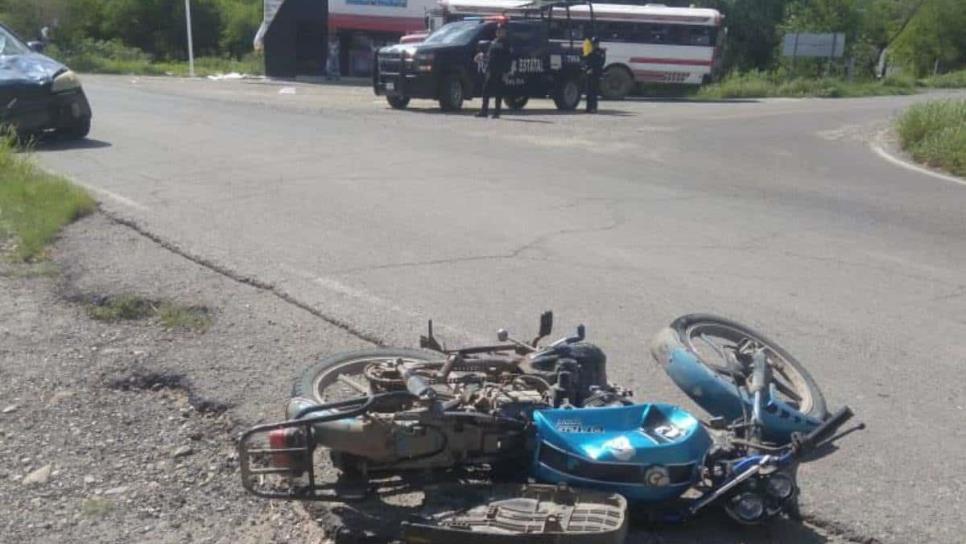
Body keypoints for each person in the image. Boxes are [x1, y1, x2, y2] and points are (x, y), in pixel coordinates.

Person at [476, 24, 512, 119]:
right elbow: (489, 55)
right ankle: (484, 111)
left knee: (498, 92)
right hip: (491, 69)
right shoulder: (494, 42)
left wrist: (506, 72)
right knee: (486, 90)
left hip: (500, 70)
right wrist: (481, 56)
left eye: (501, 31)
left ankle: (497, 112)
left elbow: (508, 59)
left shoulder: (506, 43)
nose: (499, 32)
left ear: (505, 32)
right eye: (498, 31)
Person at [582, 36, 605, 113]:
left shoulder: (601, 52)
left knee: (594, 92)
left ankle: (594, 108)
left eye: (596, 43)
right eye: (593, 43)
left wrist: (593, 68)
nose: (594, 45)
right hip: (589, 73)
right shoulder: (589, 51)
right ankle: (588, 108)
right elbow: (586, 61)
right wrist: (587, 69)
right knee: (588, 92)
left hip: (596, 73)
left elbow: (601, 62)